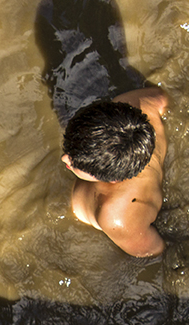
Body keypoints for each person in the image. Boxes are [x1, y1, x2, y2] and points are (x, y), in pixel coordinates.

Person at [60, 86, 169, 258]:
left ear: (112, 181)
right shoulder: (142, 104)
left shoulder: (117, 217)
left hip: (130, 218)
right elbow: (164, 98)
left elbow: (153, 251)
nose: (64, 159)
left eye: (76, 164)